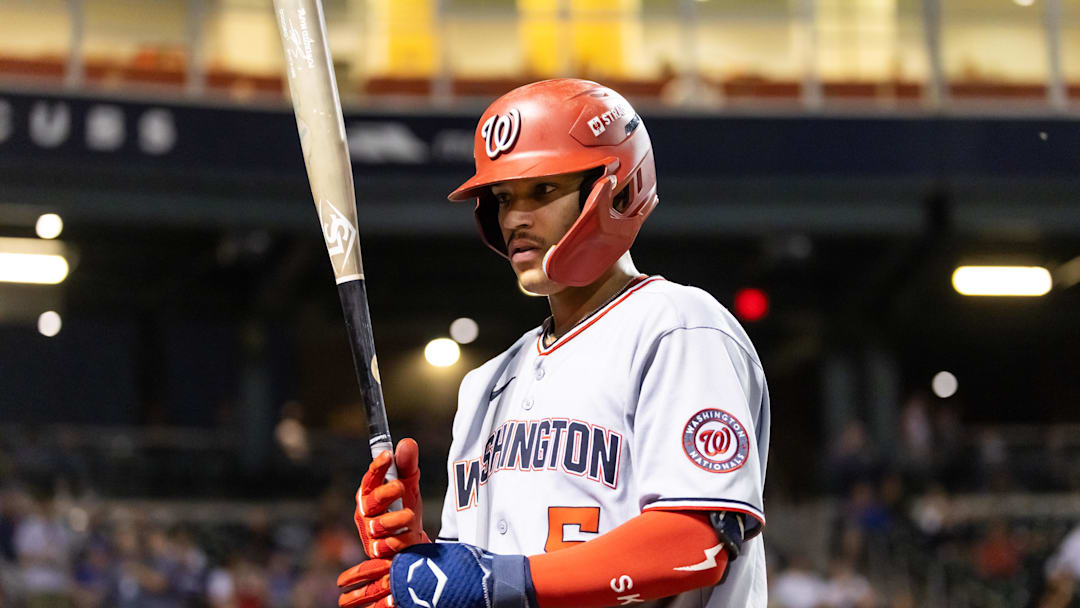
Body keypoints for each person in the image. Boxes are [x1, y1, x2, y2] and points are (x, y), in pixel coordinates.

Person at [337, 79, 771, 608]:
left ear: (615, 187)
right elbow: (487, 577)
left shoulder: (678, 326)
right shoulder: (484, 383)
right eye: (502, 198)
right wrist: (422, 560)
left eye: (542, 190)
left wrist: (497, 582)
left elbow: (697, 542)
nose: (516, 217)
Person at [1040, 524, 1080, 608]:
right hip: (1058, 569)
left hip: (1066, 572)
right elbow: (1065, 561)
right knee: (1064, 591)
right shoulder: (1077, 537)